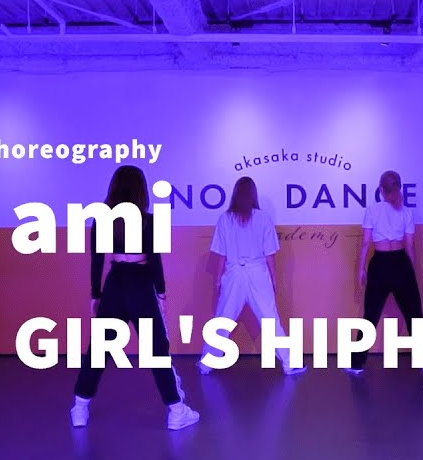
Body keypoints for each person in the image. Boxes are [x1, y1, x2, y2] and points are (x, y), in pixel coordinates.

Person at [71, 164, 200, 431]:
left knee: (99, 350)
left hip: (115, 283)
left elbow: (97, 261)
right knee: (156, 351)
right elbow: (154, 260)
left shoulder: (102, 220)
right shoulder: (149, 221)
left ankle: (79, 409)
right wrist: (161, 293)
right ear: (141, 190)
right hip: (140, 285)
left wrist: (95, 294)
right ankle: (177, 412)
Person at [198, 177, 306, 377]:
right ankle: (289, 363)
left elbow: (221, 254)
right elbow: (269, 255)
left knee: (222, 318)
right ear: (253, 195)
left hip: (233, 273)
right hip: (258, 273)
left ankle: (206, 363)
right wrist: (273, 279)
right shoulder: (263, 219)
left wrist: (218, 280)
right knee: (270, 319)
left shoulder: (225, 219)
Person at [346, 170, 423, 375]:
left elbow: (365, 243)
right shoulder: (406, 212)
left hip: (379, 263)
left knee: (370, 315)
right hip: (400, 262)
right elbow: (410, 247)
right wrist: (410, 271)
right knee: (414, 313)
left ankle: (356, 363)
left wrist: (361, 269)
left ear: (380, 189)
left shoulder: (372, 210)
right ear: (399, 187)